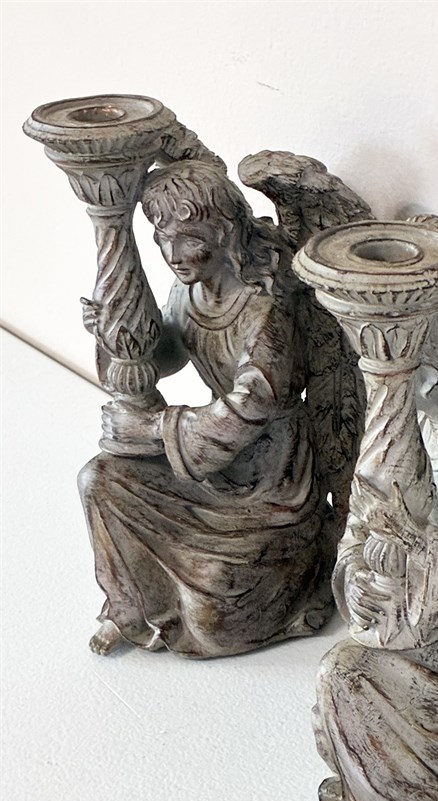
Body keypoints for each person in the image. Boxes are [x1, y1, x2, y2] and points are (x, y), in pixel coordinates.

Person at [79, 160, 335, 658]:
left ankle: (298, 586)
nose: (174, 254)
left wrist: (154, 428)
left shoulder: (265, 307)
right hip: (211, 459)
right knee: (101, 479)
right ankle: (129, 607)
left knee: (215, 616)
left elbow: (251, 406)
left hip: (272, 484)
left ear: (226, 233)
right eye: (163, 238)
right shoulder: (189, 289)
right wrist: (113, 335)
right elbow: (166, 356)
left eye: (190, 239)